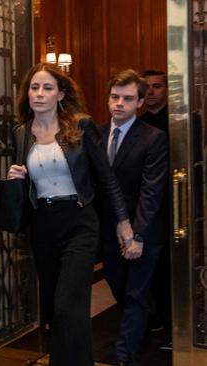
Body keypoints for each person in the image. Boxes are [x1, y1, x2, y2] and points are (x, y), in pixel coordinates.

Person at [6, 63, 133, 366]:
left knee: (68, 305)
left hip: (79, 222)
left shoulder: (81, 125)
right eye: (34, 88)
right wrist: (16, 175)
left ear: (61, 94)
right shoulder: (21, 133)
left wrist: (123, 222)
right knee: (53, 308)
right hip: (43, 226)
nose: (39, 94)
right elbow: (30, 182)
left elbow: (106, 178)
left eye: (47, 88)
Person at [97, 69, 169, 366]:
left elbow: (151, 192)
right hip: (106, 229)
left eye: (128, 99)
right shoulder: (96, 134)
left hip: (143, 228)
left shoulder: (153, 138)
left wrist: (137, 234)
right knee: (118, 285)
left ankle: (125, 355)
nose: (119, 104)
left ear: (140, 102)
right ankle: (144, 331)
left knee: (136, 292)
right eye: (115, 97)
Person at [140, 69, 172, 338]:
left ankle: (173, 320)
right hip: (144, 206)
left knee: (168, 265)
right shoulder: (136, 123)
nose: (151, 92)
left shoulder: (181, 121)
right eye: (147, 87)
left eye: (157, 87)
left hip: (172, 203)